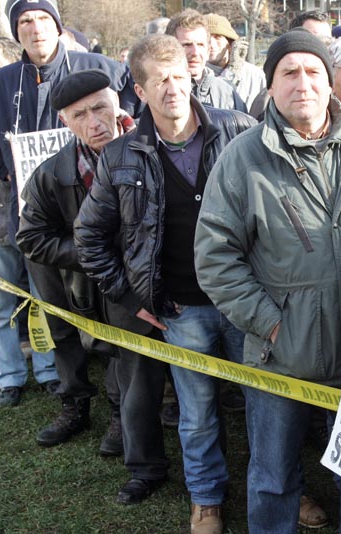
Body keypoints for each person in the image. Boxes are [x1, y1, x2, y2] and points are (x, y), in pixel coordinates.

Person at [195, 30, 341, 534]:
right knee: (274, 475)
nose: (303, 83)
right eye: (289, 72)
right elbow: (215, 258)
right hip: (278, 353)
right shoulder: (242, 158)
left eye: (313, 71)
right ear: (271, 86)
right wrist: (272, 324)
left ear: (330, 82)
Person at [74, 35, 255, 527]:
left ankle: (280, 485)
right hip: (180, 309)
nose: (172, 88)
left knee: (266, 406)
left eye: (178, 76)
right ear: (139, 90)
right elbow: (89, 235)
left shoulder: (239, 130)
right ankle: (206, 497)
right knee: (197, 415)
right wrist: (130, 295)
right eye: (159, 81)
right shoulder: (121, 155)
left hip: (246, 301)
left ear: (191, 76)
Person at [0, 0, 136, 408]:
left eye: (43, 19)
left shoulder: (100, 68)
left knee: (111, 314)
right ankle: (63, 394)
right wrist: (4, 166)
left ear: (58, 25)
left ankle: (119, 407)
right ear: (16, 31)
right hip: (39, 218)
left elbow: (136, 107)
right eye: (25, 21)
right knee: (53, 312)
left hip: (104, 215)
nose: (35, 28)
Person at [16, 70, 130, 456]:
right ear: (65, 121)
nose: (94, 122)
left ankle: (120, 413)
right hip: (64, 273)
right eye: (80, 115)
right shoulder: (51, 174)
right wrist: (91, 253)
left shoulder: (146, 152)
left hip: (121, 274)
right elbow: (30, 238)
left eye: (100, 108)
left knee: (119, 341)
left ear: (117, 103)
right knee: (64, 335)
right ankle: (74, 405)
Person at [165, 10, 247, 113]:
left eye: (200, 45)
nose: (195, 52)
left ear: (208, 50)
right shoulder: (156, 92)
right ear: (169, 48)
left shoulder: (228, 94)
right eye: (187, 45)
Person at [205, 13, 266, 111]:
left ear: (230, 44)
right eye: (207, 38)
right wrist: (231, 71)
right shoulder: (195, 76)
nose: (211, 44)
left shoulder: (255, 76)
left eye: (218, 37)